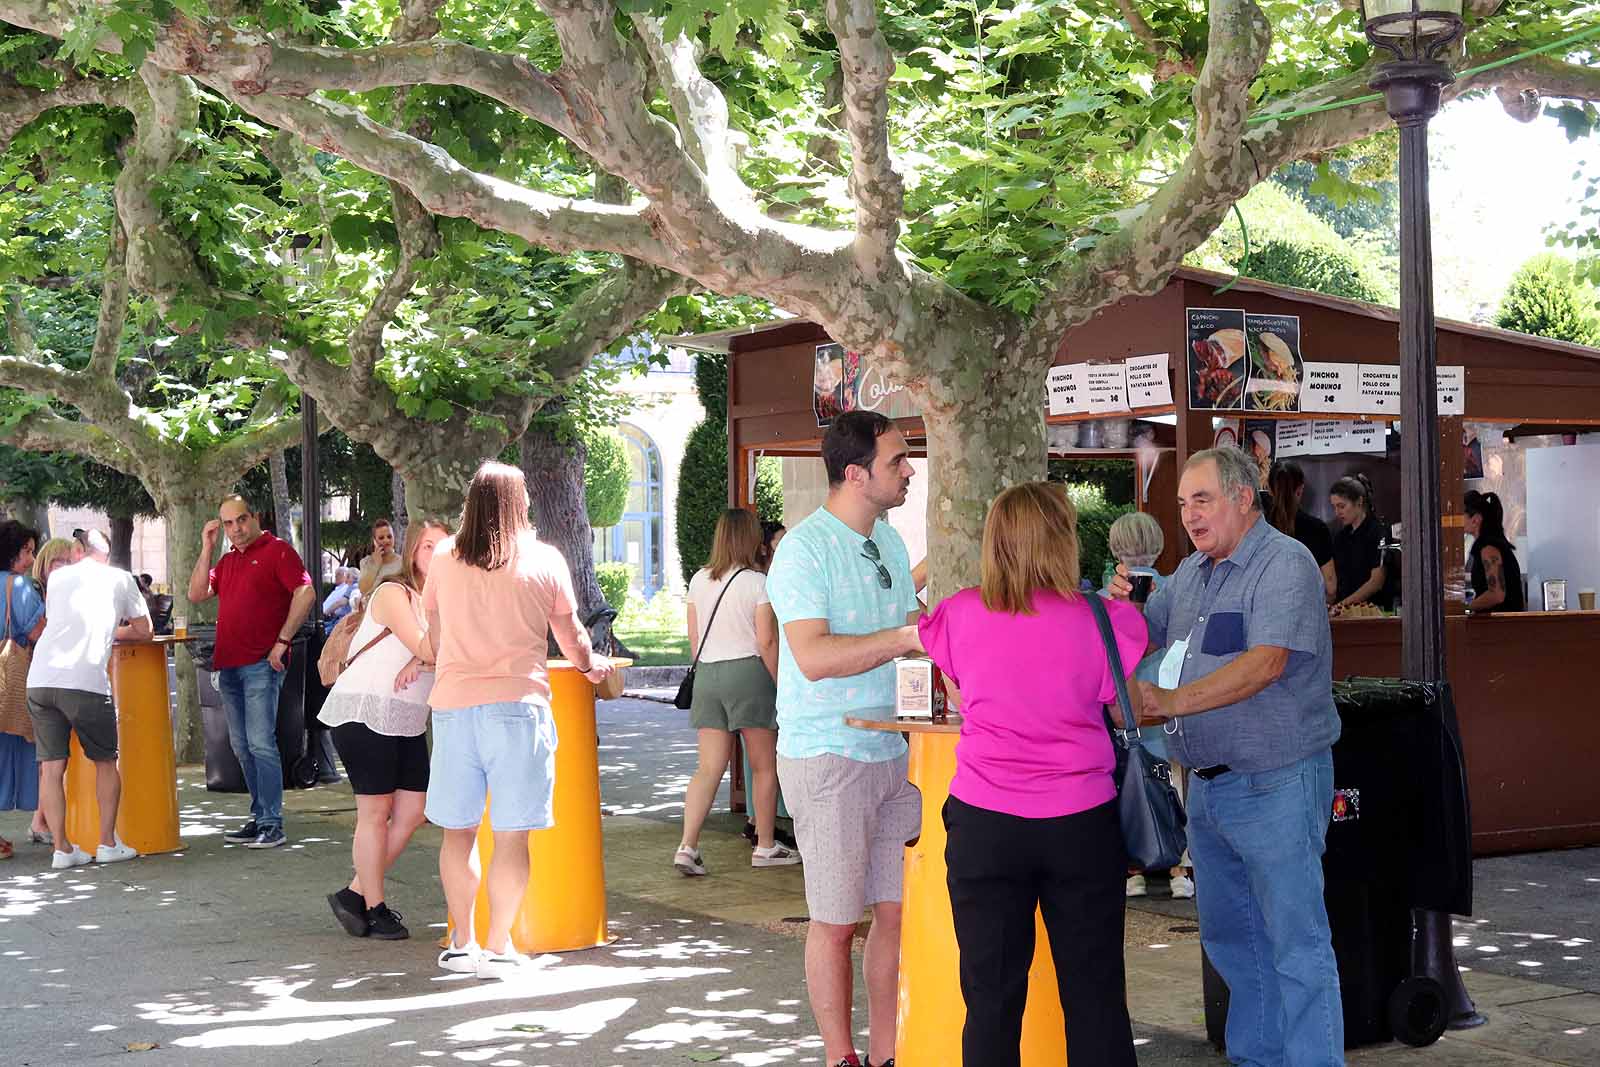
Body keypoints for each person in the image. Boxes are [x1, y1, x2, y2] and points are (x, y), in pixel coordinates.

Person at [1112, 446, 1343, 1065]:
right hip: (1208, 792)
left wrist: (1171, 701)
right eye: (1184, 503)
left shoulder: (1284, 565)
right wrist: (1118, 608)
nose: (1189, 514)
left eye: (1202, 499)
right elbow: (1142, 633)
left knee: (1295, 945)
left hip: (1277, 782)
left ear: (1244, 498)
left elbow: (1265, 663)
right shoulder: (1191, 573)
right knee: (1234, 943)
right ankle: (1255, 1058)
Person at [917, 482, 1143, 1067]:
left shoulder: (959, 614)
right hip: (1080, 822)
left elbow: (958, 687)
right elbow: (1117, 699)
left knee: (990, 1001)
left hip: (985, 824)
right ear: (1063, 540)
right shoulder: (1104, 620)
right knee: (1095, 998)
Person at [766, 410, 923, 1067]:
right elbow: (813, 656)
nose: (910, 469)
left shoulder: (887, 540)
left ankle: (885, 1054)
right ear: (854, 473)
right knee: (835, 923)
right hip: (828, 755)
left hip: (895, 751)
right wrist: (906, 637)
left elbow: (913, 626)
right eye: (897, 461)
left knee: (895, 914)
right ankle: (841, 1057)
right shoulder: (803, 549)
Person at [424, 462, 615, 980]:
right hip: (519, 710)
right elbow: (572, 635)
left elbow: (434, 631)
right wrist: (590, 665)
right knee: (511, 837)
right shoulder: (544, 559)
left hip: (455, 709)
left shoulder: (443, 558)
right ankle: (500, 944)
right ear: (518, 502)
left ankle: (463, 943)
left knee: (457, 834)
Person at [321, 520, 451, 940]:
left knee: (414, 811)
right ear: (412, 550)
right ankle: (374, 907)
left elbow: (448, 647)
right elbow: (432, 646)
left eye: (444, 547)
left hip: (407, 718)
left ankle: (355, 892)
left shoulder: (449, 599)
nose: (436, 555)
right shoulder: (396, 593)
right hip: (365, 711)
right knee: (375, 815)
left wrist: (425, 658)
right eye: (428, 546)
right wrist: (425, 656)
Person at [187, 494, 316, 850]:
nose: (236, 529)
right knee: (242, 746)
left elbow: (305, 592)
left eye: (241, 520)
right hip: (228, 665)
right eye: (228, 523)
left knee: (260, 743)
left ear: (254, 517)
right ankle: (260, 816)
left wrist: (283, 641)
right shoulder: (227, 560)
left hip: (262, 663)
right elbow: (196, 593)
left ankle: (273, 823)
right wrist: (207, 547)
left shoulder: (278, 551)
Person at [674, 509, 799, 877]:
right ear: (749, 540)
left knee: (707, 768)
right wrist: (781, 684)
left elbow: (694, 642)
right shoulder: (757, 583)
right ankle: (764, 845)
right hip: (749, 674)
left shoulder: (699, 580)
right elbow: (767, 640)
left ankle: (688, 845)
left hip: (709, 676)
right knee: (763, 765)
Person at [26, 530, 149, 869]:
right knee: (106, 762)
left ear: (79, 551)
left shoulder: (59, 577)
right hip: (85, 682)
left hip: (40, 680)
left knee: (51, 768)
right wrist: (114, 631)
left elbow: (62, 623)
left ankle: (62, 849)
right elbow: (145, 630)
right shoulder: (120, 578)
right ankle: (108, 843)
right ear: (105, 555)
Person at [1102, 511, 1193, 901]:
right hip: (1170, 700)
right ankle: (1180, 867)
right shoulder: (1175, 591)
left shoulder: (1109, 599)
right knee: (1175, 784)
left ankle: (1133, 867)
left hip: (1127, 703)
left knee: (1130, 779)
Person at [1, 520, 48, 859]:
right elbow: (38, 633)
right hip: (9, 680)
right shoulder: (17, 586)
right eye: (27, 551)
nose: (31, 559)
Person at [1268, 461, 1336, 603]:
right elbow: (1330, 587)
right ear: (1300, 489)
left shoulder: (1257, 528)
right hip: (1305, 615)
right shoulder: (1317, 529)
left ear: (1269, 489)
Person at [1329, 473, 1387, 614]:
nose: (1337, 512)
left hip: (1373, 614)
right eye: (1334, 507)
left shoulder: (1378, 532)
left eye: (1341, 506)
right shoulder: (1340, 537)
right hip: (1344, 614)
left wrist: (1342, 605)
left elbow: (1376, 582)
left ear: (1359, 501)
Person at [1465, 490, 1524, 613]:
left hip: (1502, 628)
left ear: (1475, 520)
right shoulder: (1490, 545)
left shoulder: (1488, 549)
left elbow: (1496, 595)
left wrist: (1466, 608)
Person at [355, 519, 402, 608]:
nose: (386, 540)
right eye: (381, 538)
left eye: (389, 536)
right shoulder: (366, 562)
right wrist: (376, 565)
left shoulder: (402, 563)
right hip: (371, 612)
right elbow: (363, 589)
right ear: (374, 541)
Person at [321, 566, 360, 632]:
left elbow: (341, 602)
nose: (346, 580)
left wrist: (325, 613)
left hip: (344, 621)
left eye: (348, 577)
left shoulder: (353, 586)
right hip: (340, 619)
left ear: (354, 577)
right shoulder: (353, 586)